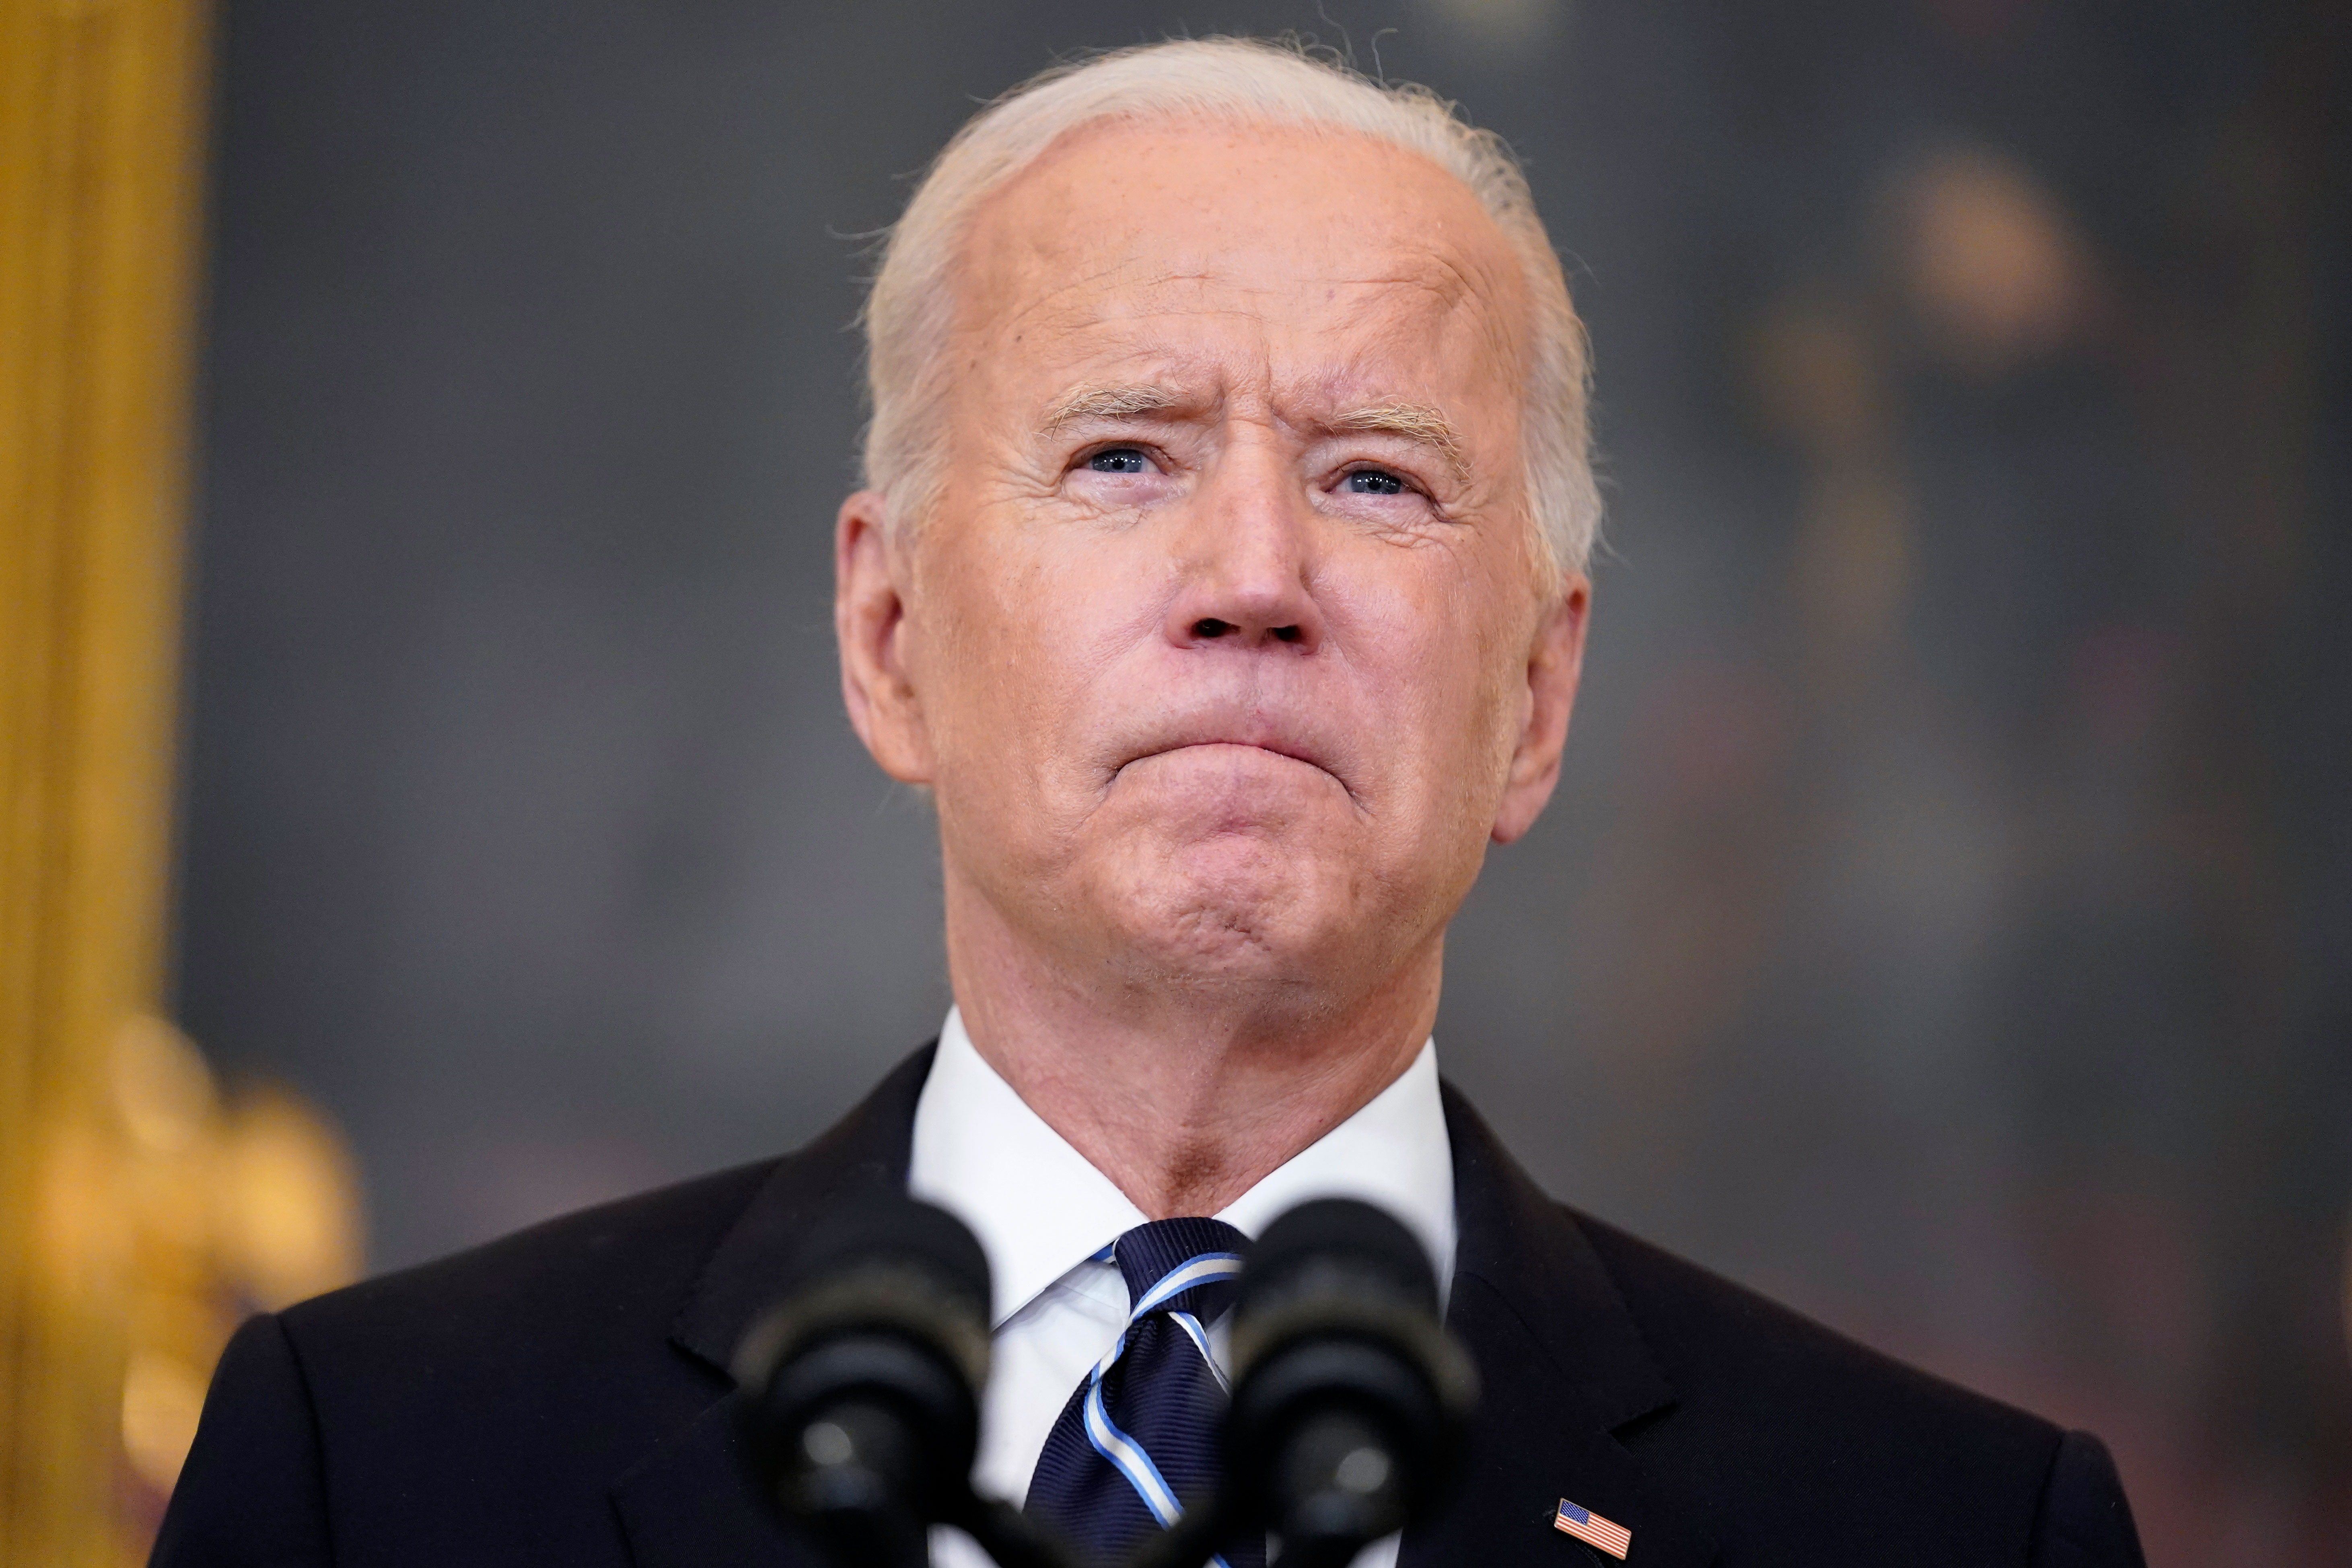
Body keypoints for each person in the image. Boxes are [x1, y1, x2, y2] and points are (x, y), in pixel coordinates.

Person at [154, 37, 2144, 1568]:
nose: (1254, 574)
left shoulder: (1945, 1530)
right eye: (1123, 455)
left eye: (1376, 477)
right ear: (890, 631)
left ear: (1535, 697)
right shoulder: (383, 1465)